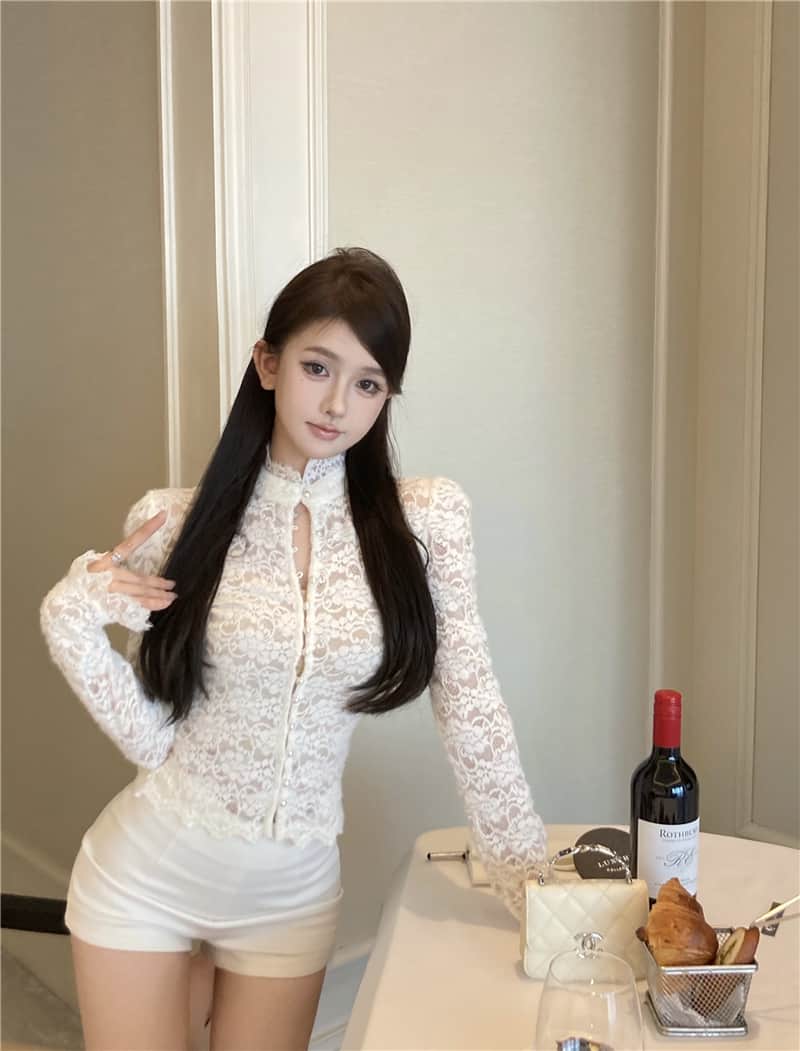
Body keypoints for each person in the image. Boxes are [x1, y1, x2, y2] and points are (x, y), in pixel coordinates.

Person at [39, 247, 547, 1051]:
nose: (338, 403)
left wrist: (534, 887)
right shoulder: (172, 523)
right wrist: (69, 617)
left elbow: (472, 707)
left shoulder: (427, 521)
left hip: (290, 898)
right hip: (147, 878)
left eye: (369, 383)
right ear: (268, 364)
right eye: (318, 367)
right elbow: (151, 739)